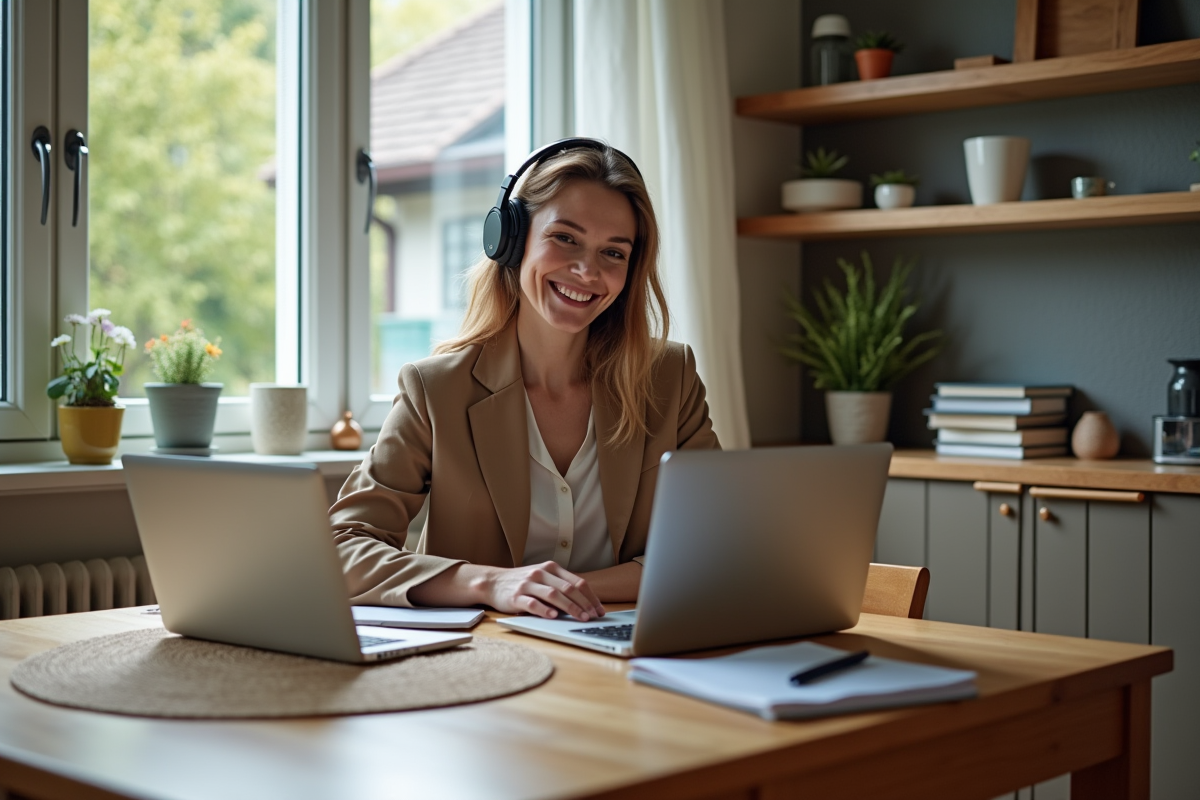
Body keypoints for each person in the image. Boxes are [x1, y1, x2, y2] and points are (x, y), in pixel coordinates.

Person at [330, 138, 719, 623]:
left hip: (630, 647)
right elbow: (340, 550)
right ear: (510, 239)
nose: (587, 271)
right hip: (489, 658)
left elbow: (714, 545)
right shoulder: (436, 391)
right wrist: (492, 583)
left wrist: (559, 592)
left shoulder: (670, 378)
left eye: (613, 253)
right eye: (566, 238)